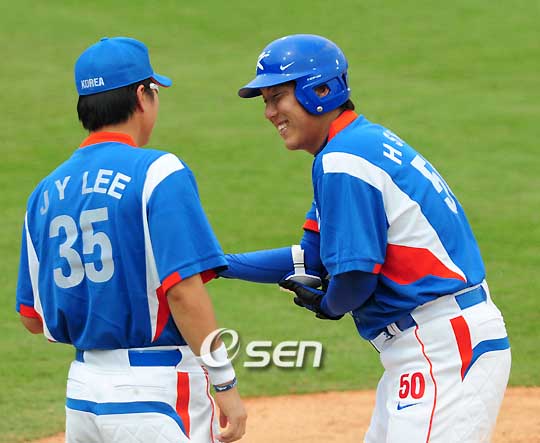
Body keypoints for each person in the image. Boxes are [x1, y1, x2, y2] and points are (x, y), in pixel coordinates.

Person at [222, 34, 511, 442]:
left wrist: (329, 305)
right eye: (265, 101)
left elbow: (356, 277)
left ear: (320, 91)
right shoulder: (354, 146)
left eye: (278, 97)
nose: (269, 113)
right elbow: (312, 258)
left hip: (443, 347)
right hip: (426, 346)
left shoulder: (345, 160)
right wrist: (218, 264)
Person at [16, 36, 246, 443]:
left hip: (82, 394)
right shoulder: (158, 172)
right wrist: (224, 382)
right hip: (156, 392)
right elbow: (183, 292)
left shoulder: (44, 193)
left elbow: (32, 318)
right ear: (142, 96)